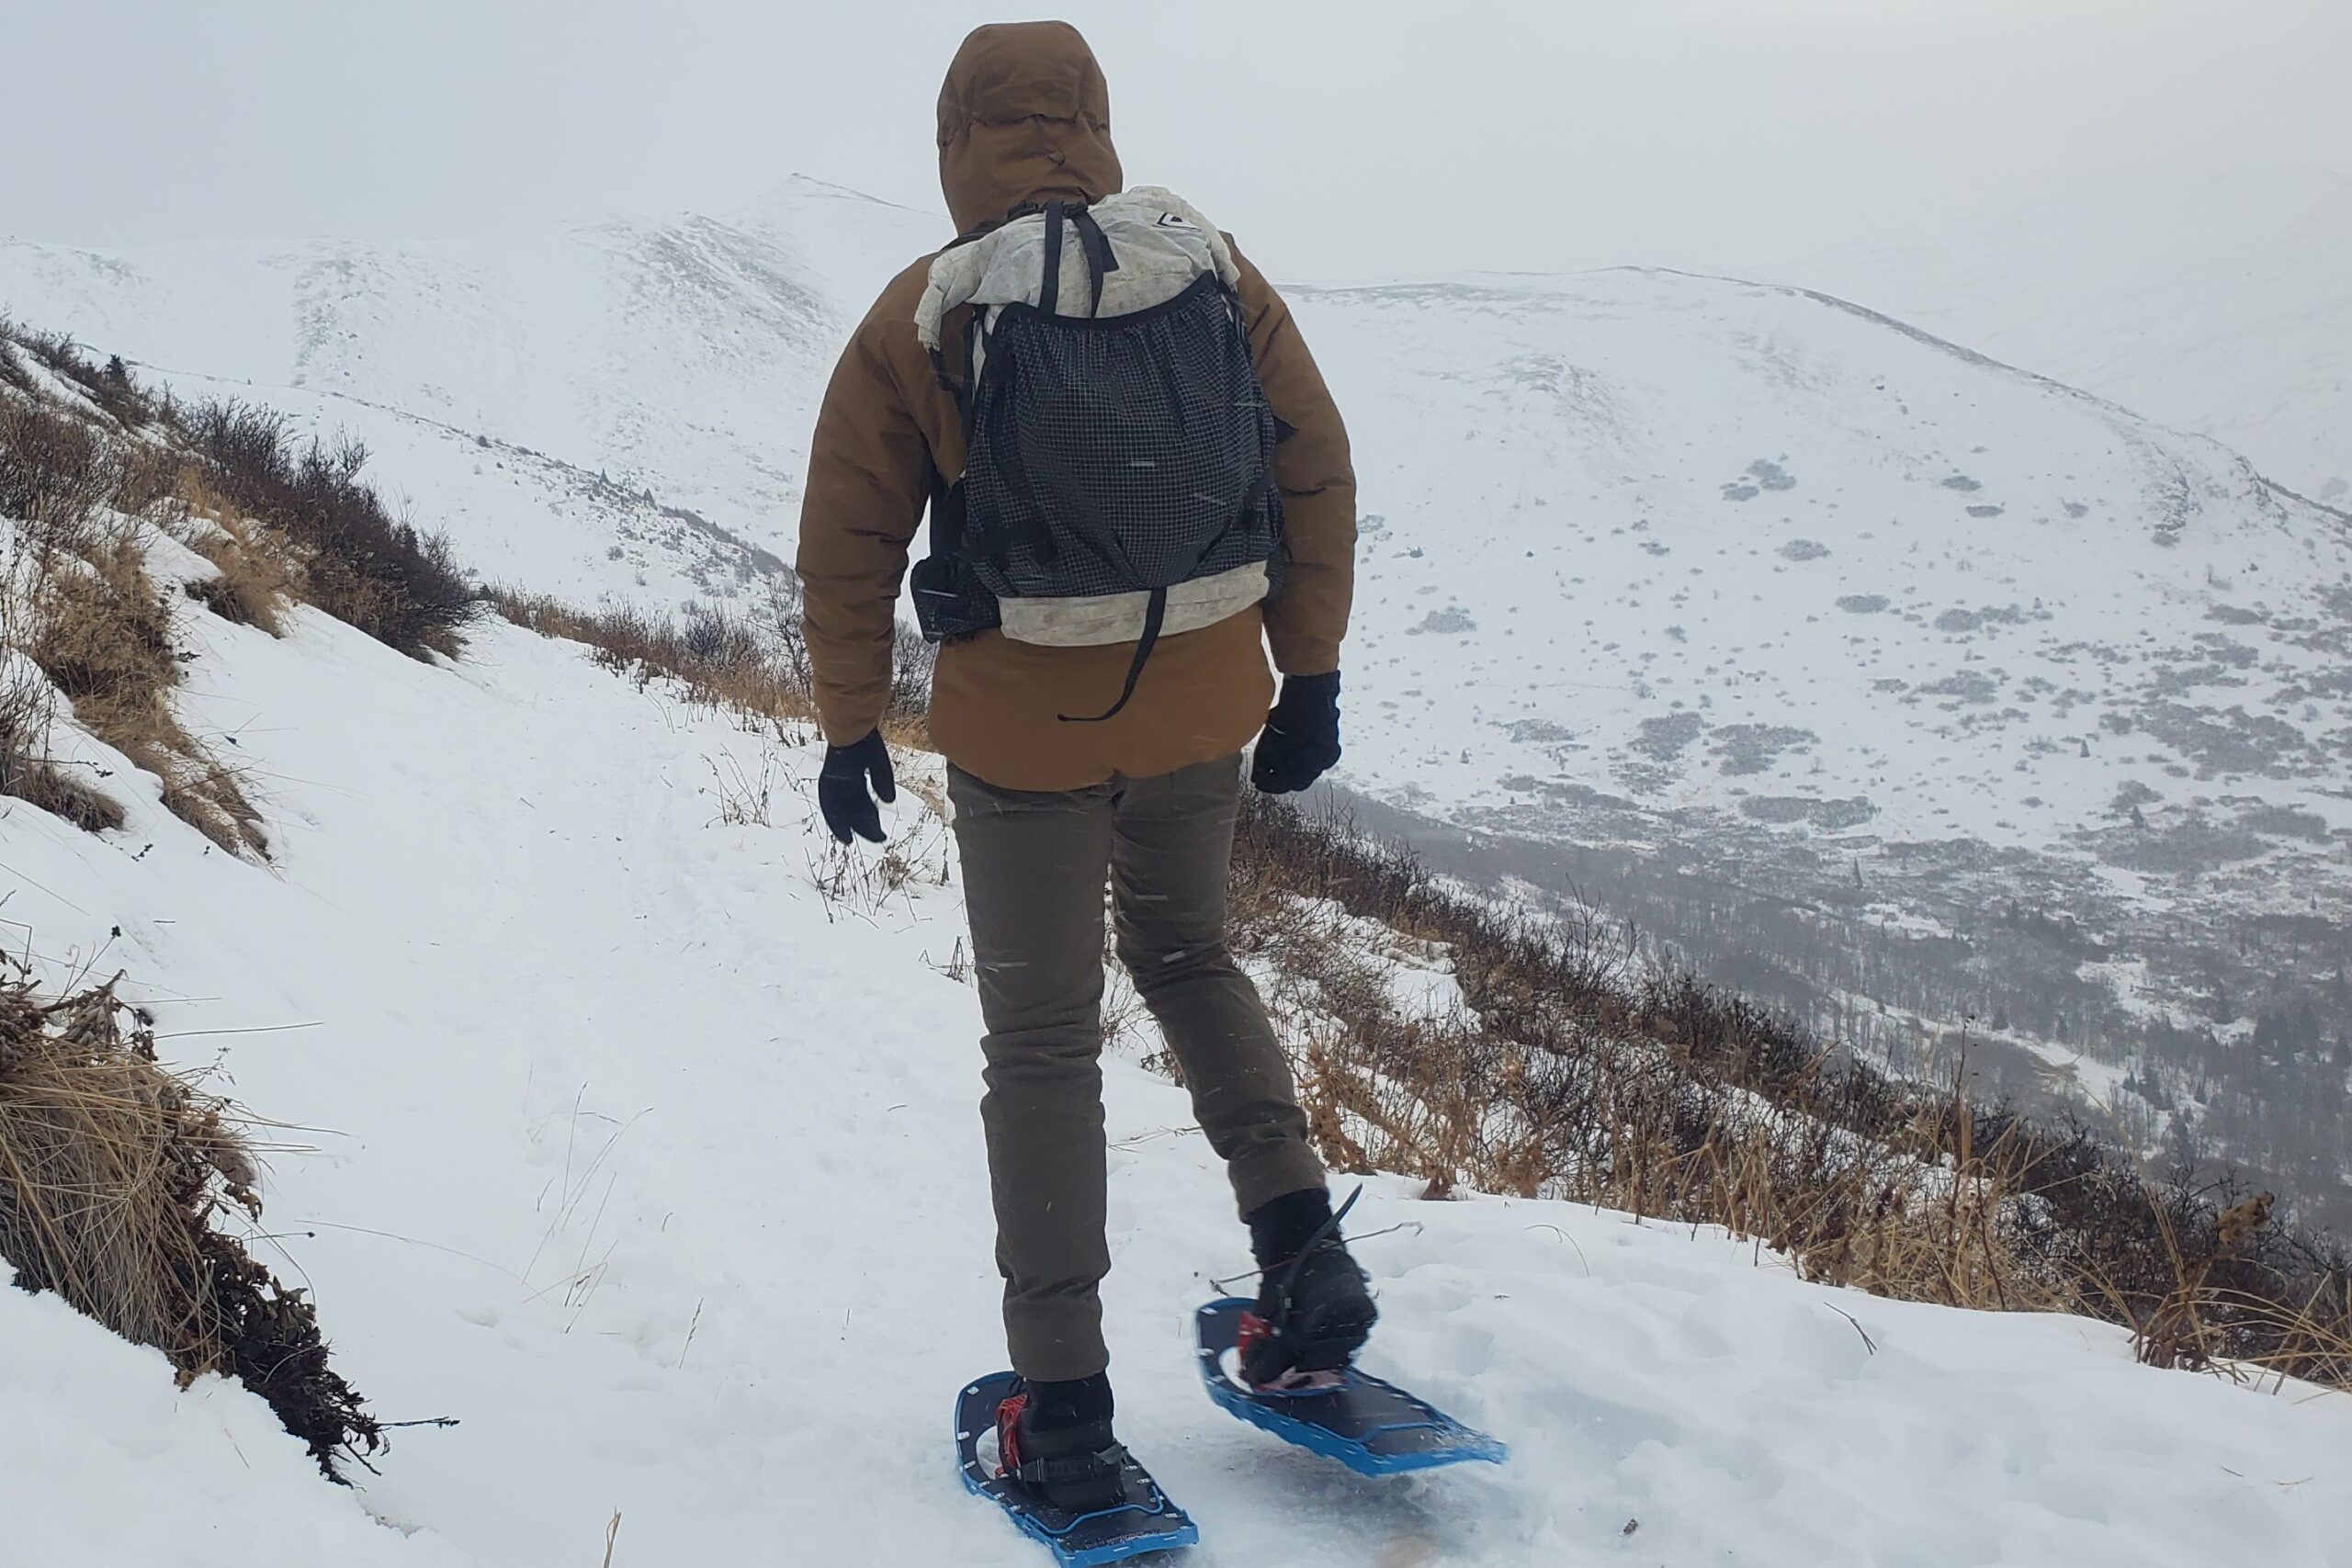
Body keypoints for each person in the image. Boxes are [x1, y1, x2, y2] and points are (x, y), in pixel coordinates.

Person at [796, 18, 1370, 1511]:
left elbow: (850, 534)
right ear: (1095, 121)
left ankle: (1060, 1407)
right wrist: (1308, 672)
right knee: (1192, 958)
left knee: (1043, 1045)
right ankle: (1305, 1266)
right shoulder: (1208, 268)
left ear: (954, 141)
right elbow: (1311, 463)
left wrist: (850, 722)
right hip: (1202, 699)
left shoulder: (929, 308)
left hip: (1020, 731)